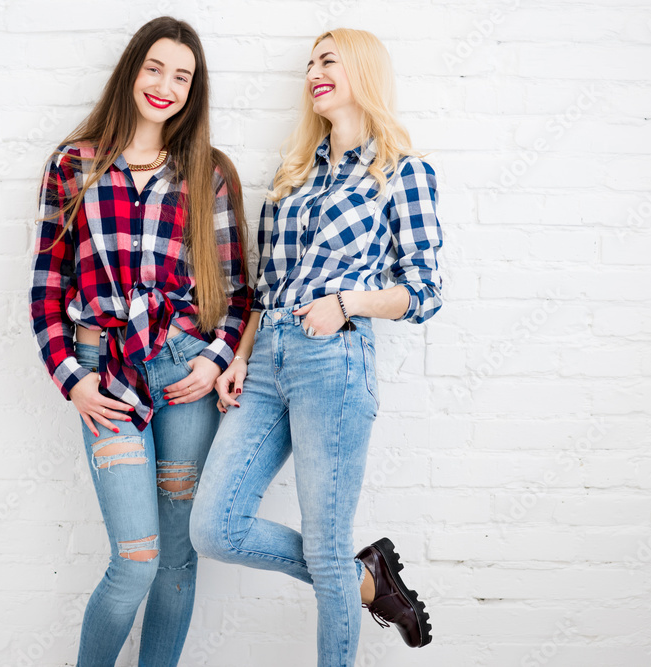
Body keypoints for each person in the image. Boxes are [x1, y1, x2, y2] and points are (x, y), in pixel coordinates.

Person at [189, 27, 442, 666]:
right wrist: (241, 355)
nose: (314, 73)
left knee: (327, 546)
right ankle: (367, 579)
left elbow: (425, 290)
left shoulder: (403, 172)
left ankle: (348, 577)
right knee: (213, 527)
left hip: (334, 358)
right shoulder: (293, 173)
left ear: (362, 70)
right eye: (309, 64)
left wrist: (348, 301)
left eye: (327, 60)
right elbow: (264, 283)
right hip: (268, 354)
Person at [28, 17, 251, 667]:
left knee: (178, 558)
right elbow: (46, 290)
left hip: (187, 375)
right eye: (155, 68)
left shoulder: (208, 172)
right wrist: (74, 378)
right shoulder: (74, 165)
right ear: (131, 70)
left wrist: (214, 363)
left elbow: (238, 293)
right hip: (108, 377)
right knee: (135, 560)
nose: (166, 85)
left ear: (193, 89)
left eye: (182, 75)